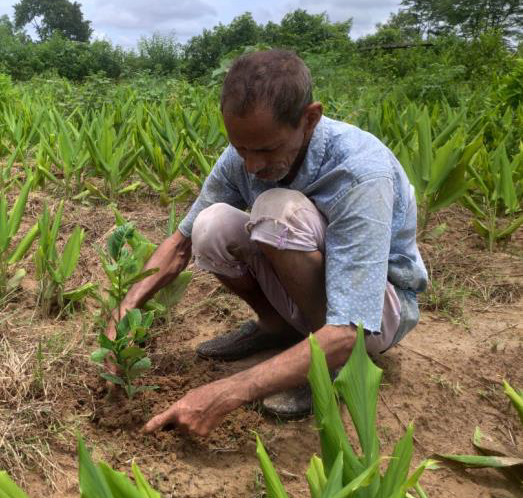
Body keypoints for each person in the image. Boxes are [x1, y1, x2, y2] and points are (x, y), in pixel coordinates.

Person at [107, 49, 428, 437]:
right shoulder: (241, 155)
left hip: (373, 317)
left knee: (277, 210)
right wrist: (123, 311)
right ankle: (277, 327)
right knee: (211, 224)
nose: (251, 166)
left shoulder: (360, 172)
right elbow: (181, 243)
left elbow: (349, 328)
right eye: (241, 148)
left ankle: (331, 370)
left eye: (266, 150)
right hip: (321, 299)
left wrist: (226, 392)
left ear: (310, 118)